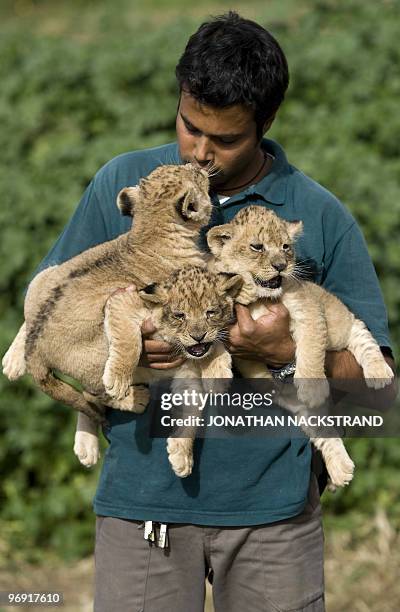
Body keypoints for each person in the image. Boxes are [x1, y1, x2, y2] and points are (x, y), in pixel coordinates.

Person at [34, 12, 394, 612]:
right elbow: (52, 319)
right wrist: (120, 347)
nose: (200, 153)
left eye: (224, 140)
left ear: (266, 123)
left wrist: (282, 353)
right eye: (189, 126)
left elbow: (382, 389)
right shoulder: (124, 185)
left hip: (274, 518)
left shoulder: (318, 214)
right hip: (143, 509)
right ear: (178, 100)